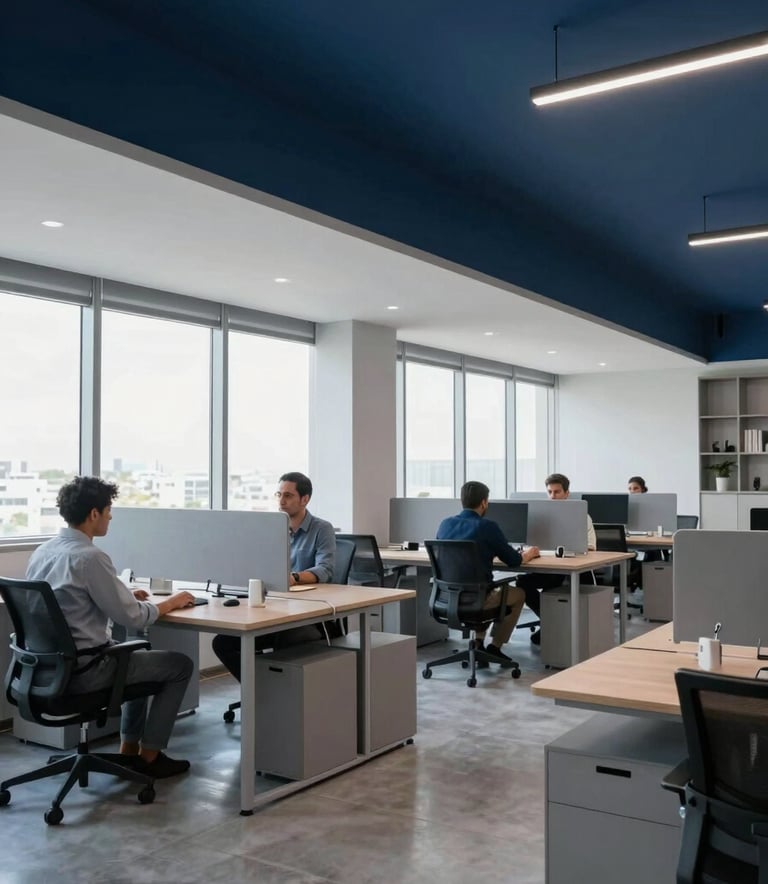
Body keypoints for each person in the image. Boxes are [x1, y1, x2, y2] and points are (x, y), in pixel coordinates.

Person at [25, 476, 195, 779]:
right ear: (94, 514)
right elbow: (134, 618)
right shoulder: (90, 557)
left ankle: (129, 750)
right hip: (86, 671)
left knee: (135, 657)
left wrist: (122, 594)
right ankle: (150, 757)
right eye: (108, 510)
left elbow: (71, 597)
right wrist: (172, 602)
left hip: (44, 669)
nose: (111, 517)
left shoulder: (43, 551)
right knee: (179, 665)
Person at [212, 471, 336, 680]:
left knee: (288, 638)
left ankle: (272, 690)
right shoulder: (271, 528)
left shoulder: (322, 529)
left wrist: (294, 578)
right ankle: (259, 691)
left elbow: (326, 570)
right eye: (279, 495)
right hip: (272, 608)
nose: (281, 501)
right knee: (222, 643)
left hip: (305, 614)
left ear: (305, 499)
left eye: (288, 495)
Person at [436, 481, 540, 667]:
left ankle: (478, 642)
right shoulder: (487, 527)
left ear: (462, 501)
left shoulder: (445, 524)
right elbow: (514, 561)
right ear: (484, 502)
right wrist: (529, 554)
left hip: (447, 598)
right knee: (518, 593)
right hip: (478, 599)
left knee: (480, 588)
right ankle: (495, 646)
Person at [516, 473, 596, 646]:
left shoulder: (582, 516)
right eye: (550, 492)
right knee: (522, 582)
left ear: (567, 493)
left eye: (557, 492)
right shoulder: (542, 517)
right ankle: (550, 621)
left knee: (551, 585)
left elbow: (590, 547)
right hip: (547, 566)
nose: (553, 496)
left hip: (571, 569)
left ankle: (552, 623)